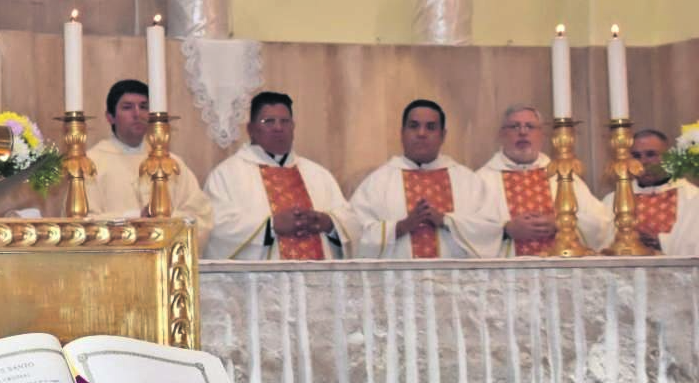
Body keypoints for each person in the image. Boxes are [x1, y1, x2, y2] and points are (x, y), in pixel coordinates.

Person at [202, 91, 358, 260]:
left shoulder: (318, 174)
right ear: (251, 129)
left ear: (293, 127)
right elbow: (216, 228)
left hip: (316, 280)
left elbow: (352, 222)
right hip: (259, 283)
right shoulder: (227, 175)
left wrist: (328, 223)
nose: (278, 128)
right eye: (268, 121)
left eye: (285, 121)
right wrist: (271, 226)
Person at [349, 99, 505, 259]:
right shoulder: (377, 183)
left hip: (455, 281)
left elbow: (490, 229)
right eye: (414, 126)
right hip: (398, 282)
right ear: (402, 133)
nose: (421, 133)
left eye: (430, 127)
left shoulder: (468, 182)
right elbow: (355, 234)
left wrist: (446, 221)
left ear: (442, 135)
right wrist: (401, 227)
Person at [475, 104, 613, 256]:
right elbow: (469, 228)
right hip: (507, 274)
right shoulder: (482, 180)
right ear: (501, 134)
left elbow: (600, 222)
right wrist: (506, 230)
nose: (522, 132)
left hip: (560, 269)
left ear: (542, 134)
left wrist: (560, 224)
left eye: (530, 126)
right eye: (515, 126)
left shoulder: (562, 175)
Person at [86, 79, 211, 240]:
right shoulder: (90, 163)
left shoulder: (171, 163)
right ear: (110, 117)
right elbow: (82, 224)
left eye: (144, 107)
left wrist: (165, 217)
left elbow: (201, 216)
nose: (137, 114)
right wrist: (136, 217)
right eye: (127, 107)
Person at [599, 129, 697, 252]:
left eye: (651, 154)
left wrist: (661, 242)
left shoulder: (692, 198)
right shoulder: (614, 199)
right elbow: (600, 242)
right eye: (636, 156)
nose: (643, 162)